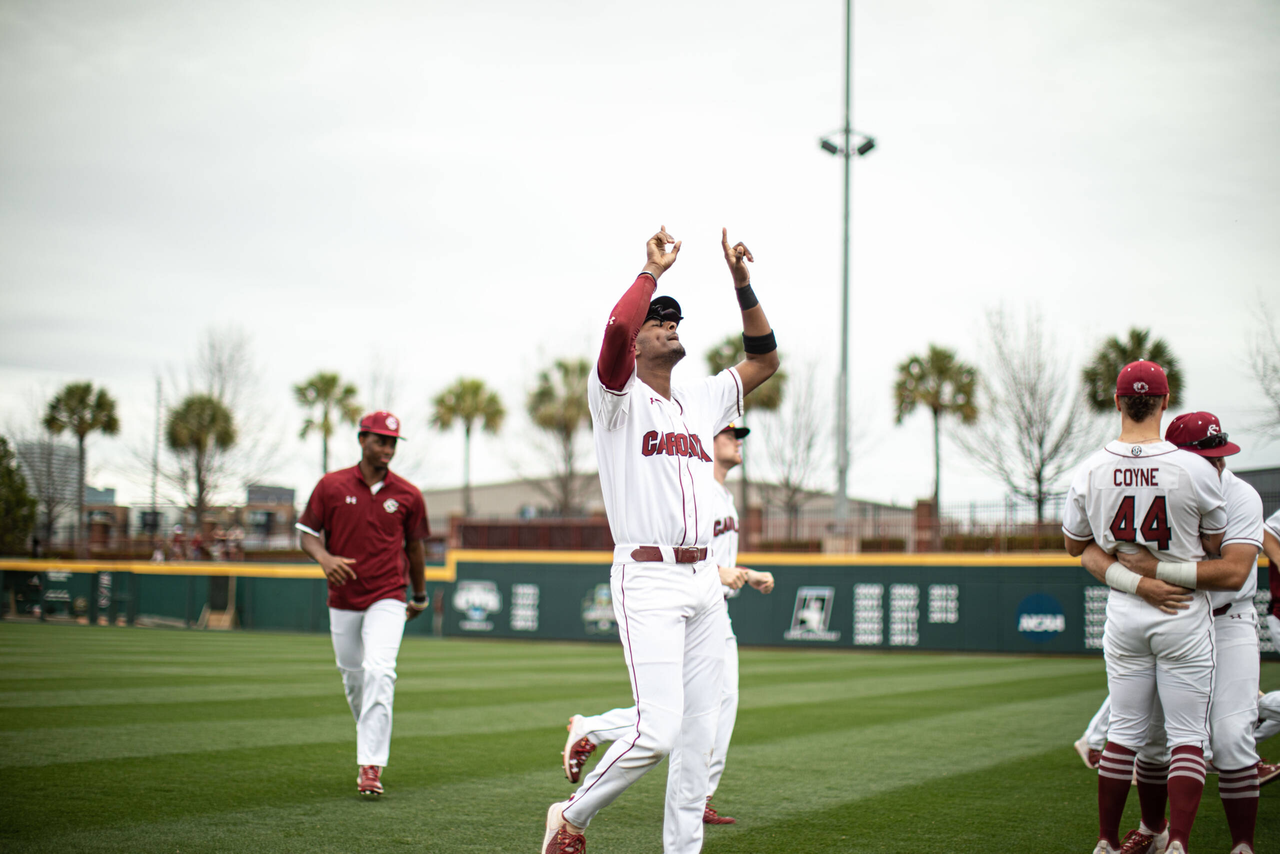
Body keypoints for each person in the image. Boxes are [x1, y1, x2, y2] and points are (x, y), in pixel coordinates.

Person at [541, 226, 780, 854]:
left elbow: (765, 359)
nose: (667, 324)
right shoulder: (615, 399)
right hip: (647, 574)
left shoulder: (701, 399)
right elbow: (616, 332)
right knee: (656, 733)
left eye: (673, 318)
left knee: (699, 739)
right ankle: (570, 816)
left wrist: (741, 283)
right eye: (657, 321)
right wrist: (650, 274)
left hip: (704, 580)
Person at [560, 422, 775, 825]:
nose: (736, 441)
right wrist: (721, 572)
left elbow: (714, 560)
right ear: (707, 441)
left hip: (714, 607)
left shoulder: (724, 496)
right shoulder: (695, 490)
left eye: (738, 436)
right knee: (680, 712)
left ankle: (697, 795)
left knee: (718, 708)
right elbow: (686, 556)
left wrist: (745, 571)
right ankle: (595, 731)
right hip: (687, 609)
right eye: (729, 435)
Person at [1079, 412, 1264, 854]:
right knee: (1155, 736)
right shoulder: (1160, 484)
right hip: (1171, 616)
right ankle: (1155, 829)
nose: (1216, 465)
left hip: (1229, 619)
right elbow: (1089, 550)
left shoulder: (1240, 494)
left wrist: (1153, 570)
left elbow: (1234, 572)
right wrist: (1142, 582)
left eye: (1220, 456)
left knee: (1231, 735)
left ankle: (1242, 844)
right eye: (1207, 456)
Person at [1062, 362, 1227, 854]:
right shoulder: (1195, 467)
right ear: (1164, 400)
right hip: (1182, 610)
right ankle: (1176, 841)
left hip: (1126, 609)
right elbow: (1216, 544)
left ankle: (1107, 842)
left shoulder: (1091, 468)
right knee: (1186, 736)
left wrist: (1133, 572)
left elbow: (1077, 546)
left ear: (1117, 402)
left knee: (1125, 733)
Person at [296, 411, 430, 797]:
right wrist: (324, 558)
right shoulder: (331, 485)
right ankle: (369, 735)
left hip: (388, 595)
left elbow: (415, 548)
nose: (387, 448)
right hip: (343, 598)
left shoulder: (408, 494)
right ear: (362, 440)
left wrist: (418, 595)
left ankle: (370, 766)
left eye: (391, 442)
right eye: (379, 440)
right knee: (354, 679)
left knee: (379, 671)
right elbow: (306, 533)